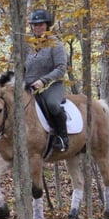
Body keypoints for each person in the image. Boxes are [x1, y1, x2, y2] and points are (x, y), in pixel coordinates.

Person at [24, 8, 69, 152]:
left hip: (52, 85)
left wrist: (43, 80)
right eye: (35, 25)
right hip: (28, 87)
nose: (37, 27)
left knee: (53, 105)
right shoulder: (27, 45)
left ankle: (62, 138)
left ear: (47, 25)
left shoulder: (55, 44)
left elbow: (61, 68)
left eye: (41, 24)